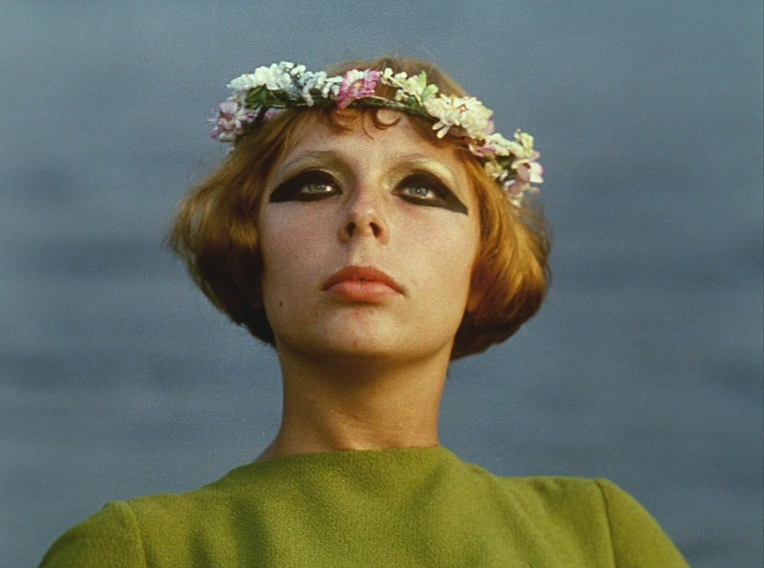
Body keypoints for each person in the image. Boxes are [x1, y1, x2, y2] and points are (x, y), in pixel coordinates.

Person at [39, 57, 688, 567]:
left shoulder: (601, 537)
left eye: (420, 188)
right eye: (315, 184)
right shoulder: (138, 551)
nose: (363, 216)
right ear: (251, 252)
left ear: (482, 270)